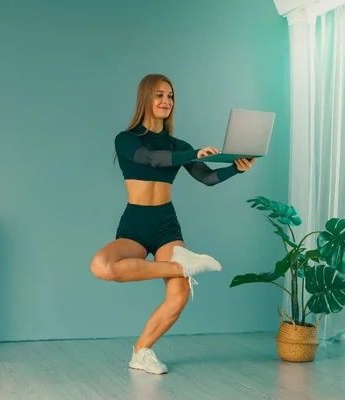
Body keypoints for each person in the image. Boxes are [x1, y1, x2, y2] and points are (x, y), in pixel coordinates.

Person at [90, 73, 256, 375]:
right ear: (145, 99)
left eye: (170, 96)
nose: (166, 101)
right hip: (135, 225)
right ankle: (185, 266)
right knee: (103, 266)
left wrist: (236, 168)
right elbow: (151, 159)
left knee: (178, 296)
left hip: (167, 225)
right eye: (159, 95)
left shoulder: (179, 144)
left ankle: (141, 352)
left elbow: (207, 177)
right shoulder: (127, 139)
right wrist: (193, 153)